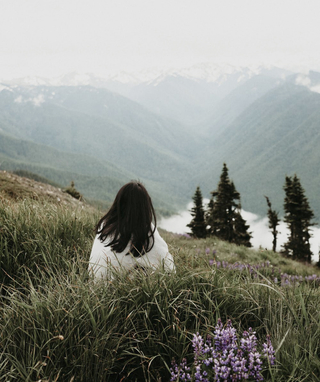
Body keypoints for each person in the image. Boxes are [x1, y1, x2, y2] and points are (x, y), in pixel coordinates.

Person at [89, 181, 175, 278]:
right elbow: (169, 269)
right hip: (116, 290)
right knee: (144, 269)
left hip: (93, 285)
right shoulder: (145, 230)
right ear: (145, 207)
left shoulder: (105, 224)